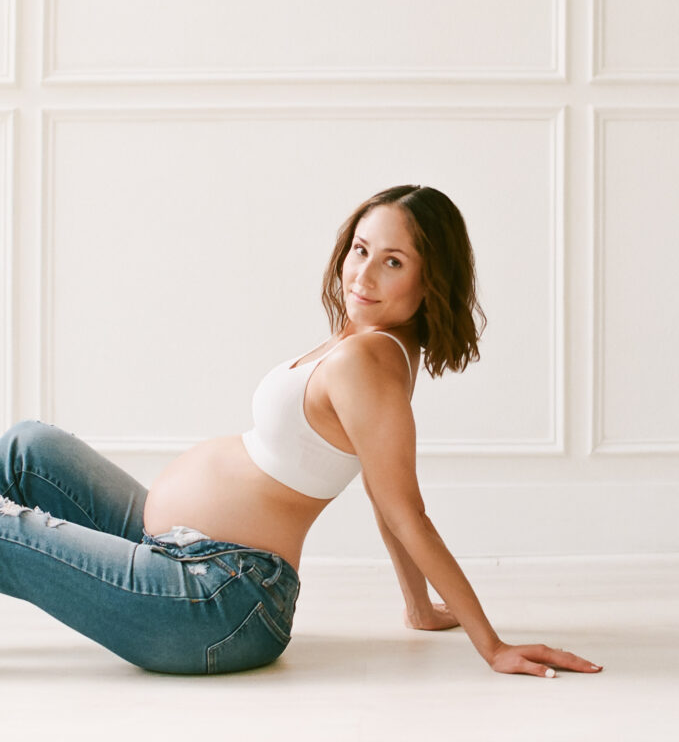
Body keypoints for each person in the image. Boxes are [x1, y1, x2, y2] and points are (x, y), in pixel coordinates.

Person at [0, 184, 602, 678]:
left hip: (216, 604)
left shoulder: (369, 363)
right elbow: (379, 490)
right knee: (28, 448)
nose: (363, 274)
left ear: (429, 280)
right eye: (360, 249)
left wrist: (491, 646)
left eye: (393, 262)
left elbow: (404, 512)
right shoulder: (364, 343)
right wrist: (418, 607)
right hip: (181, 555)